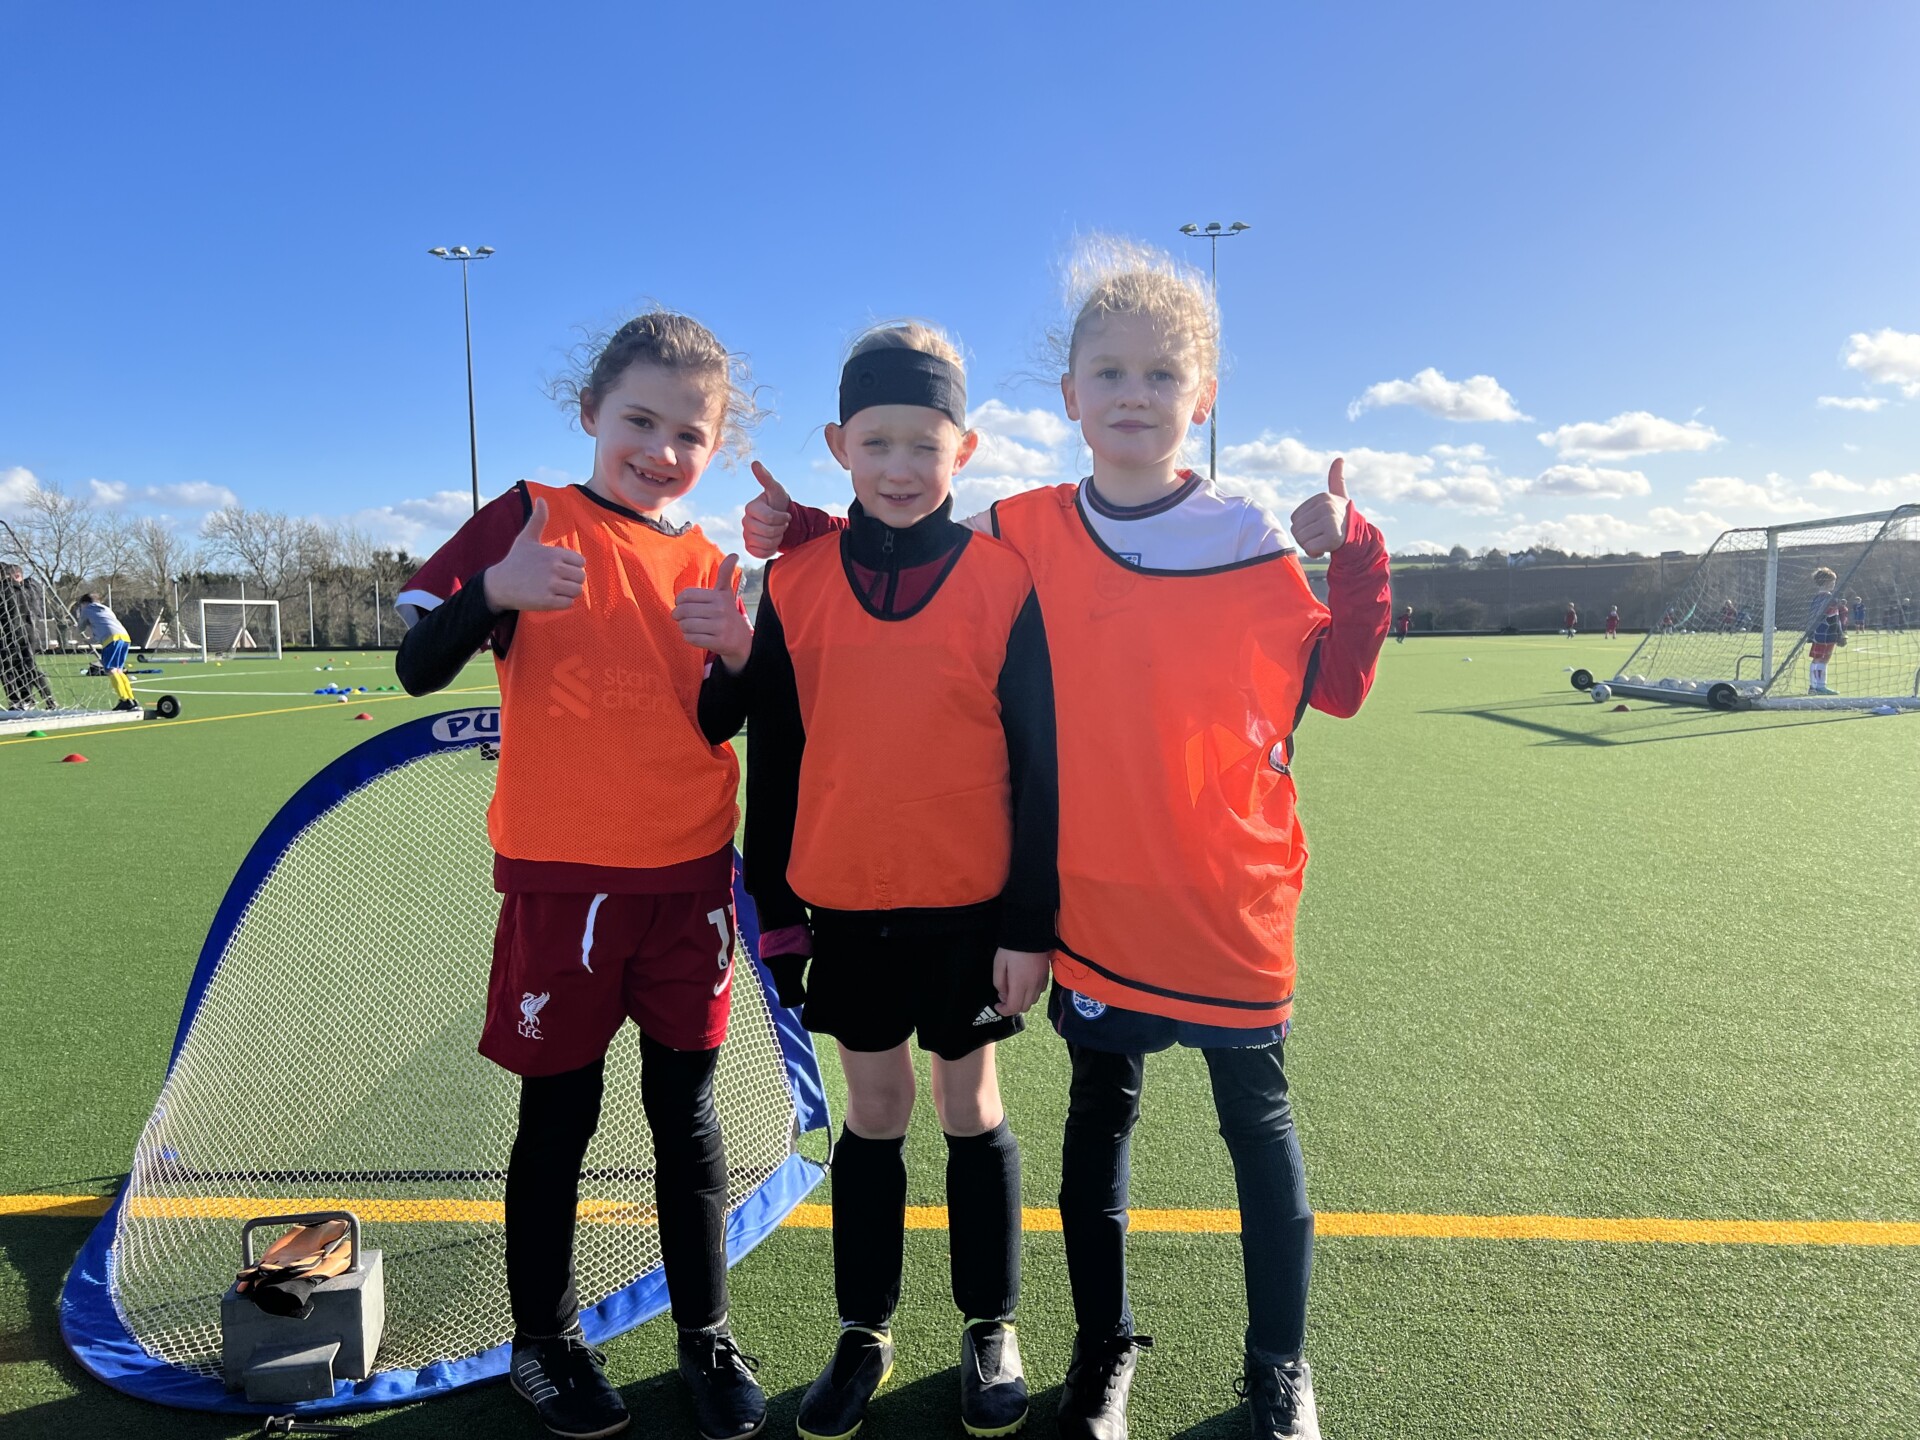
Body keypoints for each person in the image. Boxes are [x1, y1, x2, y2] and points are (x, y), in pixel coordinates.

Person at [743, 238, 1391, 1440]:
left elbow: (1337, 687)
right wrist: (807, 526)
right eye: (1110, 373)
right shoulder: (1024, 526)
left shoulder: (1252, 533)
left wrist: (1358, 556)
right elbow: (907, 519)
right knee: (1096, 1130)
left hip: (1227, 903)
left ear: (1203, 400)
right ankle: (1096, 1354)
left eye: (1162, 376)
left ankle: (1279, 1366)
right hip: (1088, 905)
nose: (1135, 396)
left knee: (1255, 1129)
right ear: (1071, 398)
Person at [395, 310, 767, 1440]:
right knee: (559, 1115)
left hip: (690, 881)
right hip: (564, 882)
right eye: (640, 420)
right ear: (591, 413)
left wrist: (745, 661)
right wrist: (492, 594)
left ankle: (704, 1332)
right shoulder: (528, 516)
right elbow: (417, 668)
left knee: (687, 1116)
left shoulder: (711, 562)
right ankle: (545, 1341)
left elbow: (716, 719)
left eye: (688, 432)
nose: (661, 449)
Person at [703, 322, 1055, 1440]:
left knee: (969, 1104)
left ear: (968, 446)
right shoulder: (793, 579)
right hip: (845, 904)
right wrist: (780, 916)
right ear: (838, 445)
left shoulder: (1005, 579)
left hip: (970, 908)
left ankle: (989, 1322)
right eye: (877, 443)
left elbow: (1040, 762)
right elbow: (778, 753)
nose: (901, 468)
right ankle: (864, 1329)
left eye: (924, 443)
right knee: (873, 1111)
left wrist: (1029, 921)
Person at [1, 564, 58, 710]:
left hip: (10, 633)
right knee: (28, 666)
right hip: (29, 632)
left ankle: (16, 701)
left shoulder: (4, 590)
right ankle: (46, 698)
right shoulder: (27, 589)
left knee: (6, 669)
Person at [71, 592, 137, 710]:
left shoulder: (87, 610)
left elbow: (81, 627)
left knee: (111, 670)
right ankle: (131, 699)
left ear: (85, 603)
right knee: (119, 670)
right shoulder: (106, 609)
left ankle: (124, 700)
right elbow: (102, 630)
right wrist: (89, 641)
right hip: (124, 637)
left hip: (111, 640)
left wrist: (77, 634)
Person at [1806, 566, 1846, 696]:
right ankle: (1816, 687)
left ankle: (1818, 686)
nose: (1834, 584)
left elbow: (1834, 618)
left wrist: (1839, 634)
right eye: (1833, 582)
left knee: (1823, 659)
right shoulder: (1826, 598)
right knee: (1820, 659)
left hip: (1828, 633)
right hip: (1824, 632)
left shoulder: (1821, 597)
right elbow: (1829, 616)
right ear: (1827, 582)